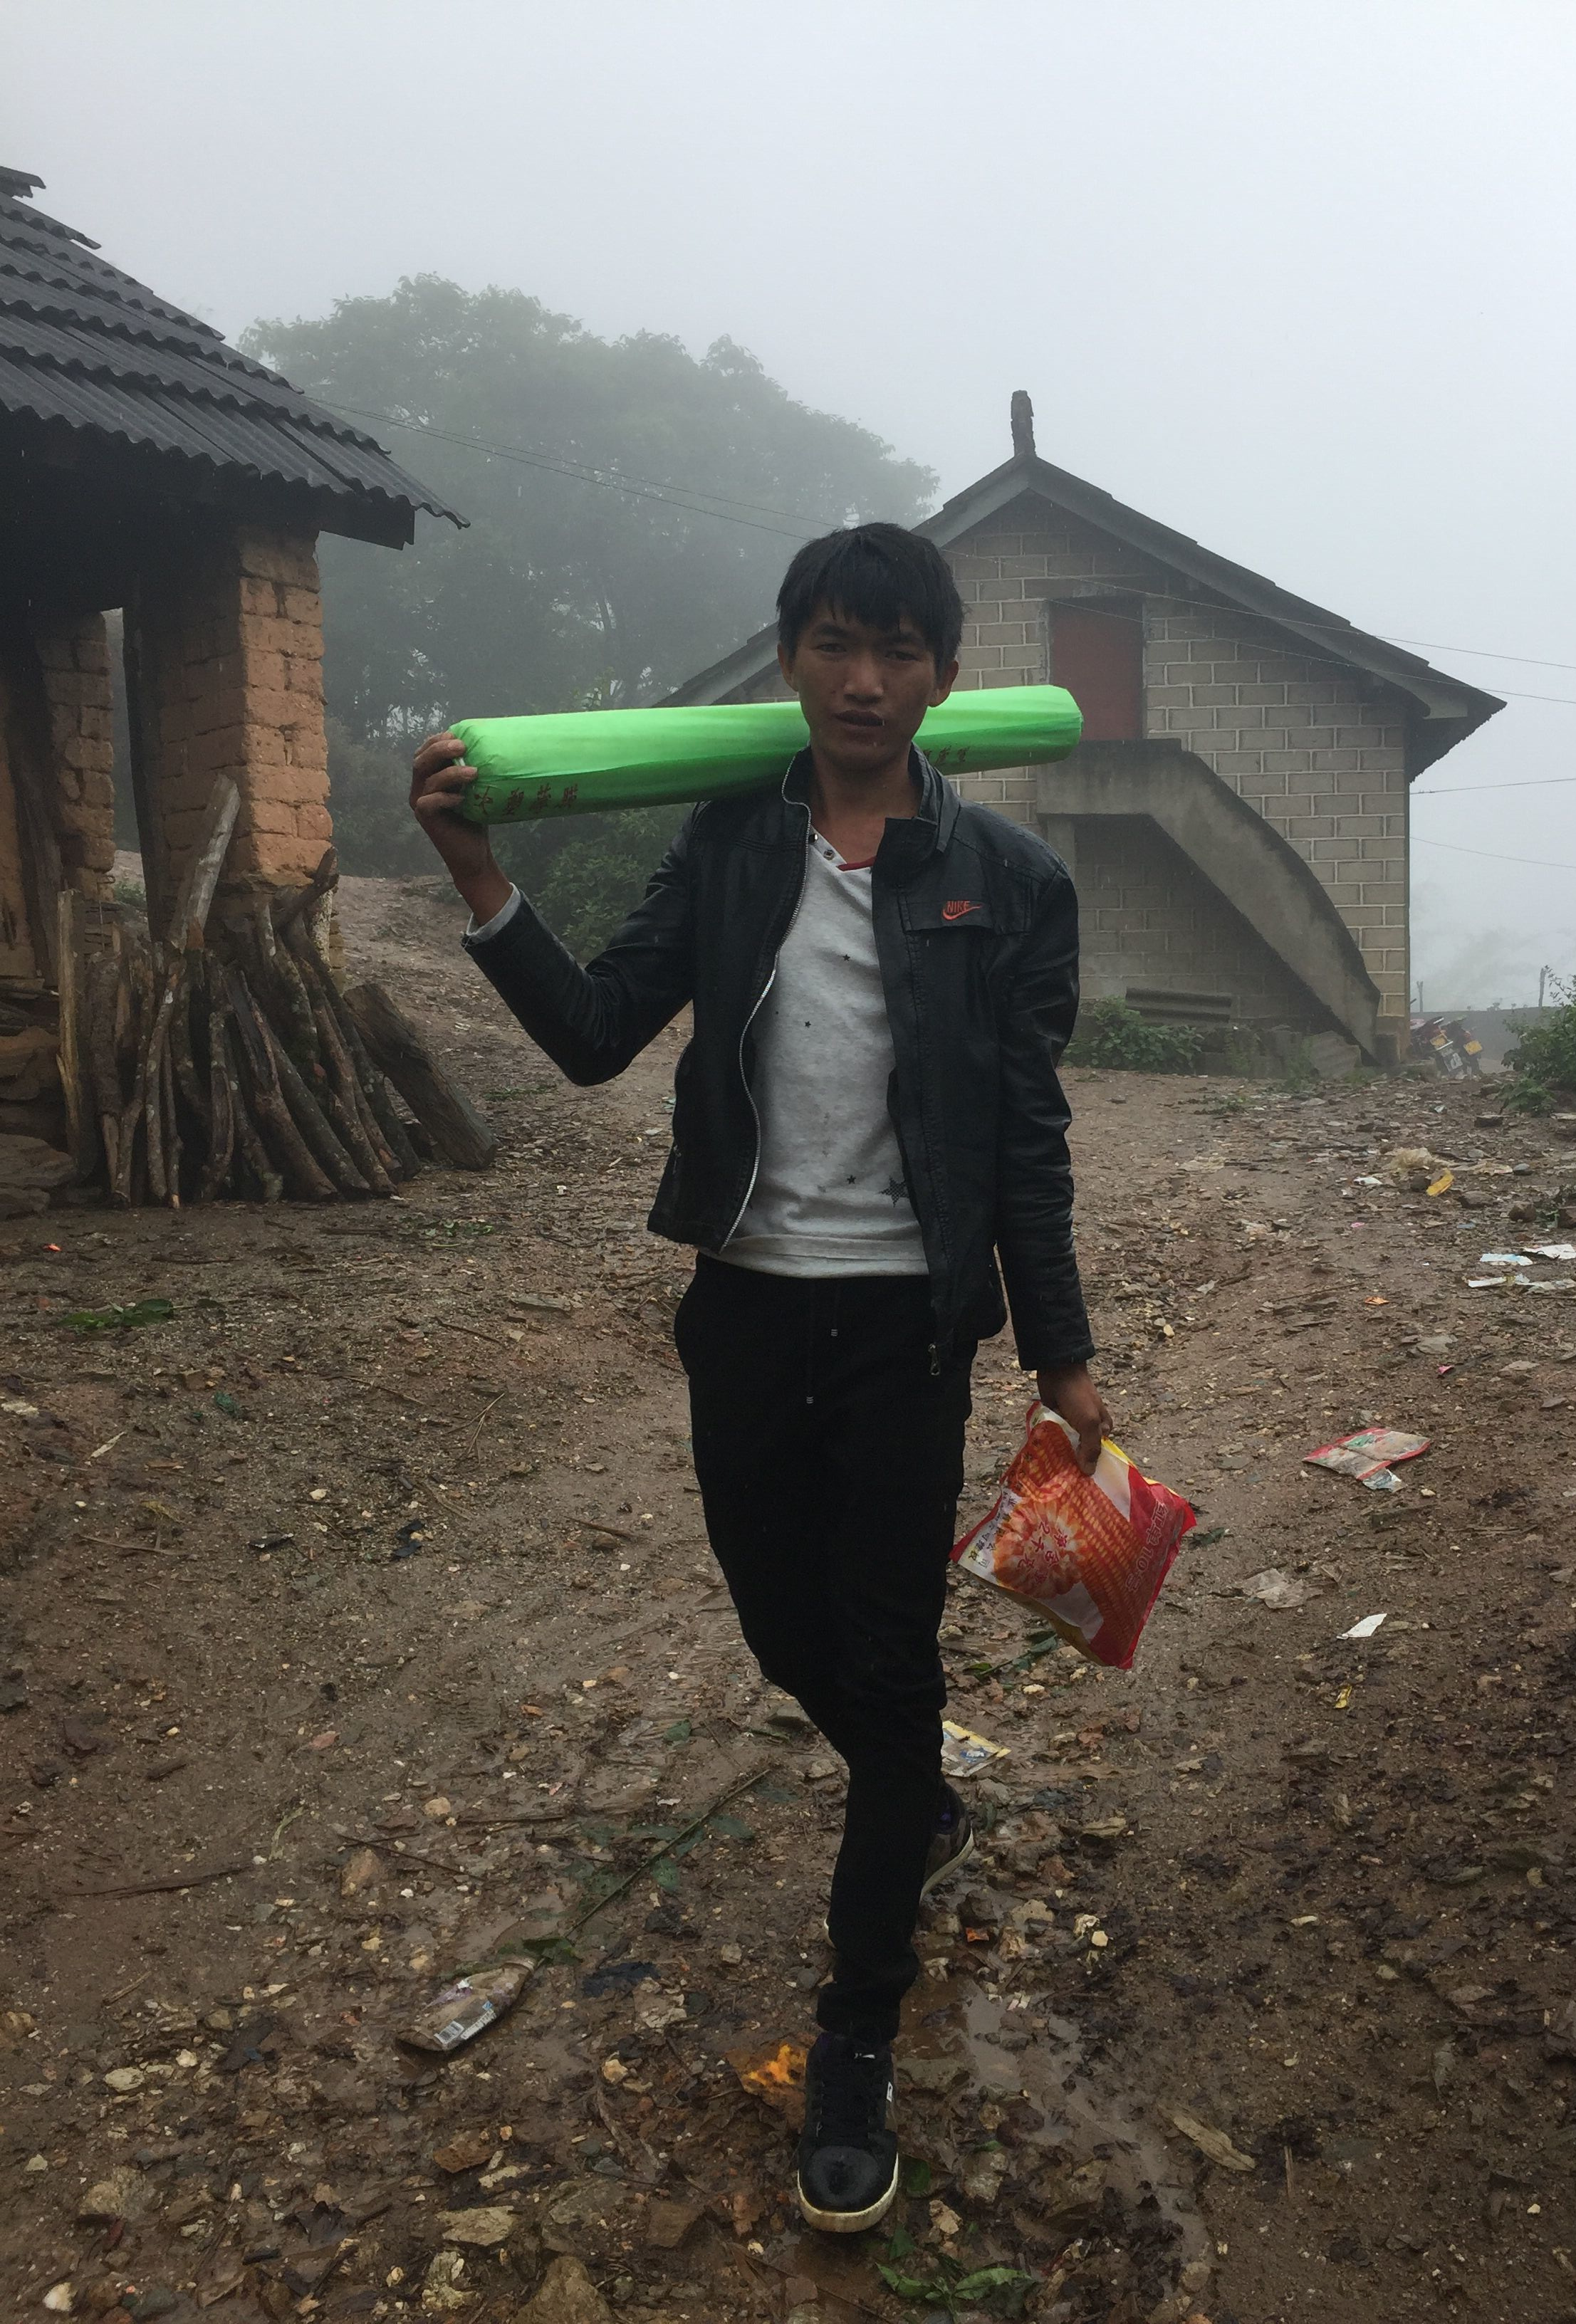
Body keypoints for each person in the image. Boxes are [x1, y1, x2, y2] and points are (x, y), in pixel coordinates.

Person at [409, 522, 1107, 2234]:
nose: (864, 680)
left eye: (897, 650)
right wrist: (477, 871)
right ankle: (912, 1791)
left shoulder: (1009, 880)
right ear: (791, 657)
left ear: (943, 675)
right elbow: (595, 1037)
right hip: (743, 1307)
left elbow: (1026, 1134)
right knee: (784, 1635)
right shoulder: (730, 839)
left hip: (905, 1331)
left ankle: (856, 2032)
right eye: (833, 644)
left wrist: (1064, 1349)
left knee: (886, 1655)